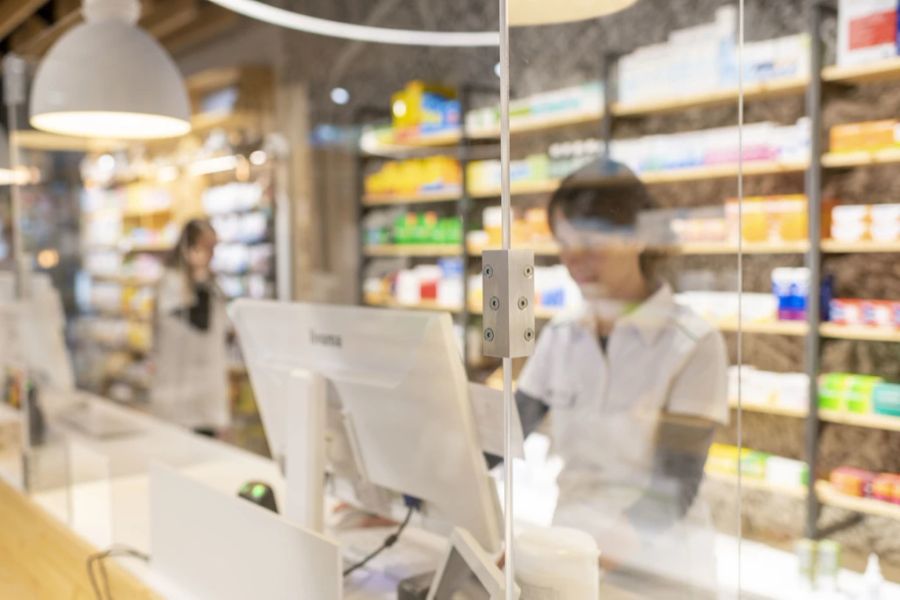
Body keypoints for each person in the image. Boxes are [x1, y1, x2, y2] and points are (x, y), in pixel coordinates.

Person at [515, 159, 728, 594]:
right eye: (564, 243)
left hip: (657, 571)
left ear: (637, 238)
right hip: (571, 552)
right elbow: (506, 434)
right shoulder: (561, 335)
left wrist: (570, 560)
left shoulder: (693, 343)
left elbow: (671, 490)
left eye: (590, 242)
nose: (574, 260)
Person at [151, 218, 229, 437]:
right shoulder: (173, 283)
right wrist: (200, 279)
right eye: (207, 248)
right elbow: (200, 323)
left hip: (205, 388)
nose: (211, 255)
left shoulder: (210, 283)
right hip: (180, 392)